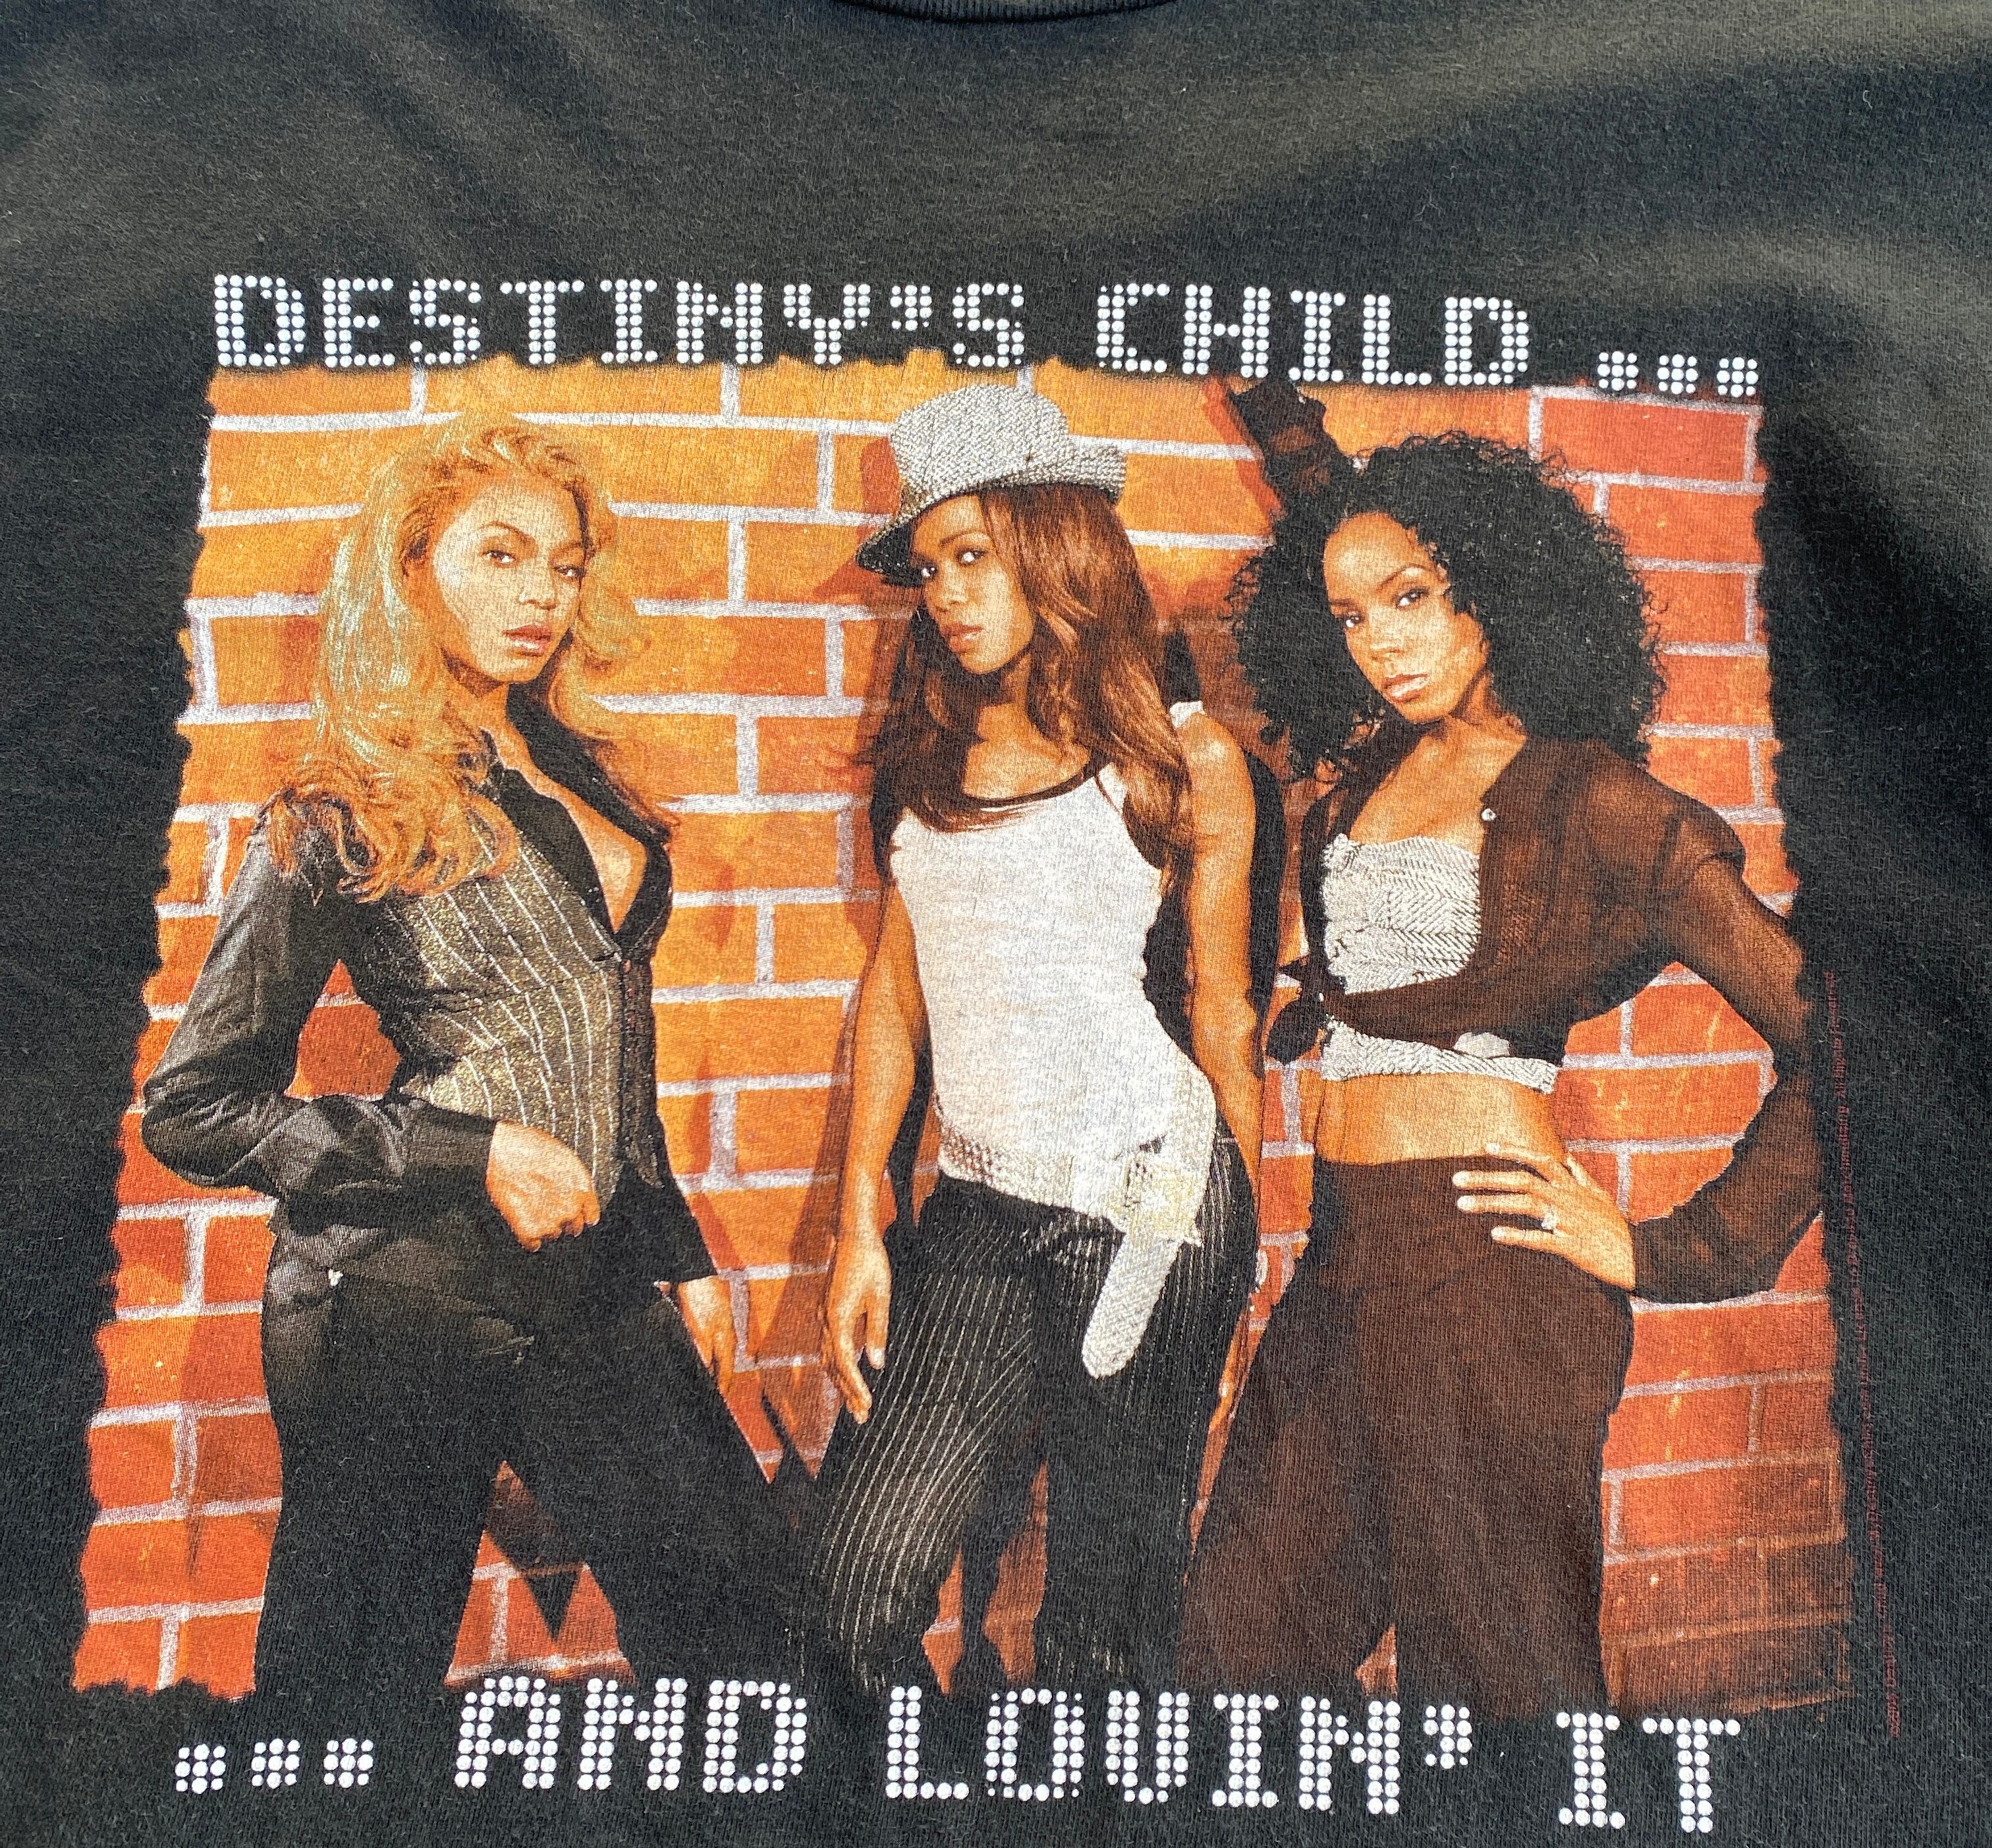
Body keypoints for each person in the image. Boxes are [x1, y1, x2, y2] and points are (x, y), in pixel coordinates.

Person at [1178, 383, 1821, 1719]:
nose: (1380, 643)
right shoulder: (1373, 769)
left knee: (1500, 1700)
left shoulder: (1598, 803)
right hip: (1347, 1262)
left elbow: (1841, 1043)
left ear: (1500, 589)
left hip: (1489, 1278)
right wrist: (1276, 408)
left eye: (1414, 600)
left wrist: (1673, 1249)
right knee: (1231, 1659)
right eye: (1350, 617)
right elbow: (1353, 524)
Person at [142, 418, 790, 1722]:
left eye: (564, 565)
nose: (540, 594)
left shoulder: (575, 771)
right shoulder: (336, 809)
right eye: (499, 556)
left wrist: (672, 1245)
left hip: (588, 1272)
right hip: (404, 1296)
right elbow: (194, 1110)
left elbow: (602, 1035)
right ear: (412, 567)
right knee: (346, 1706)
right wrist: (471, 1151)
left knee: (754, 1646)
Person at [796, 383, 1263, 1697]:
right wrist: (861, 1226)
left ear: (1056, 546)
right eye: (928, 569)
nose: (945, 595)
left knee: (1102, 1631)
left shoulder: (1182, 759)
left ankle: (1074, 1824)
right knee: (852, 1590)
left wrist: (1245, 1258)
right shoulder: (928, 757)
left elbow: (1224, 1013)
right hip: (979, 1212)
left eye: (972, 555)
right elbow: (898, 997)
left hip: (1156, 1198)